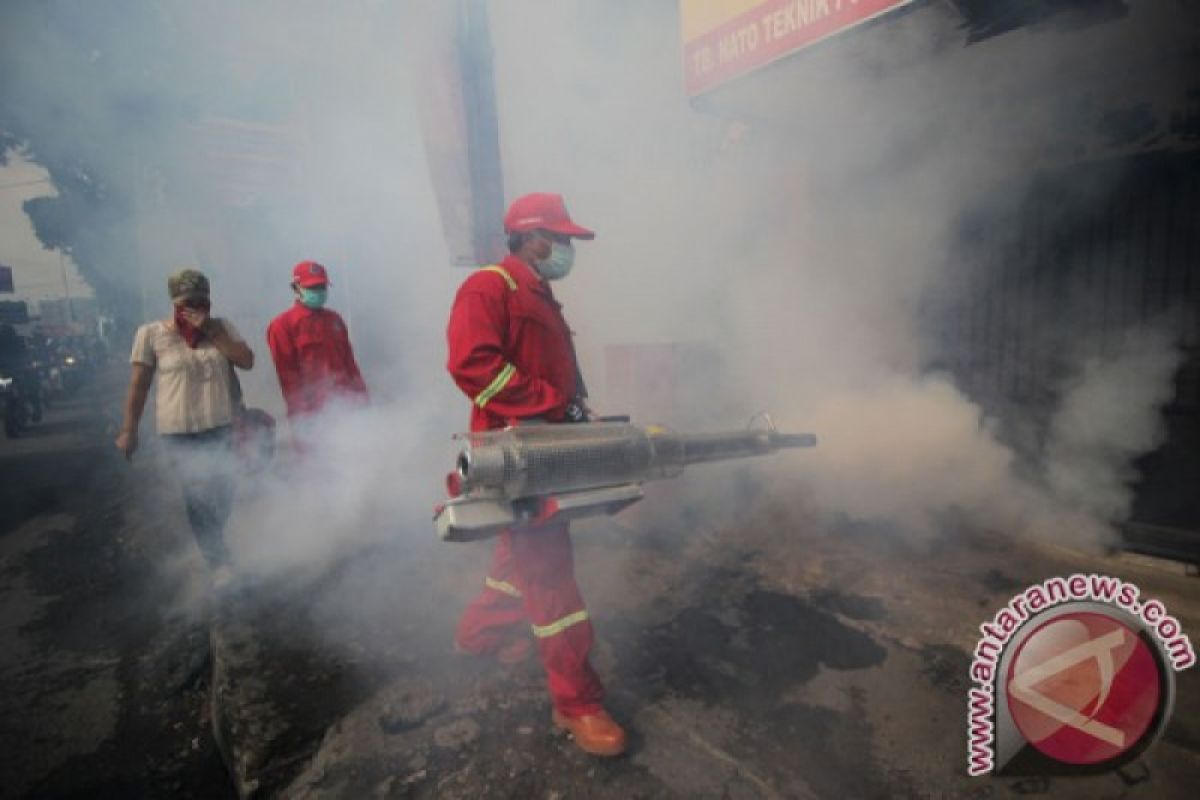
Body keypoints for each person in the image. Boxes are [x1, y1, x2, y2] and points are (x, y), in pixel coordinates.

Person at [446, 192, 625, 757]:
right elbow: (473, 365)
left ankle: (478, 636)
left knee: (517, 554)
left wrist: (578, 411)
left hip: (543, 445)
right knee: (550, 575)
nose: (567, 249)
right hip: (516, 452)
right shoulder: (489, 287)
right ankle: (577, 703)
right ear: (530, 237)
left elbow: (554, 374)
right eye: (562, 238)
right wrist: (551, 405)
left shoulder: (540, 294)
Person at [115, 269, 254, 578]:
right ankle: (219, 562)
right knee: (197, 495)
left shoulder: (222, 327)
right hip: (179, 432)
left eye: (202, 301)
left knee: (224, 490)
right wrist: (129, 430)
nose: (195, 308)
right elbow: (139, 385)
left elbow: (246, 361)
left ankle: (214, 544)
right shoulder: (151, 334)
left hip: (222, 426)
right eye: (187, 302)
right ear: (175, 303)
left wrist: (212, 333)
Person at [266, 261, 368, 436]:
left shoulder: (334, 320)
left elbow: (350, 365)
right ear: (296, 288)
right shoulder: (282, 326)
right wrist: (305, 421)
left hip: (347, 409)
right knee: (320, 463)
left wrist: (363, 401)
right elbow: (289, 380)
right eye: (313, 287)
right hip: (313, 416)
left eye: (322, 286)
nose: (319, 292)